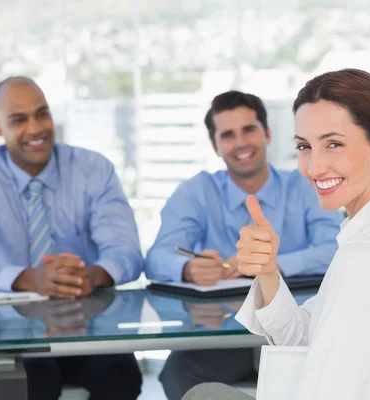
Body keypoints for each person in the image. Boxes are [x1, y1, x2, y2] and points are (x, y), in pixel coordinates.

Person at [182, 69, 370, 400]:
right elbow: (306, 338)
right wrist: (268, 271)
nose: (314, 167)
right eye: (304, 146)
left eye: (334, 144)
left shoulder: (369, 257)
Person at [0, 76, 143, 400]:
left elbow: (128, 252)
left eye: (42, 114)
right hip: (13, 331)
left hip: (88, 325)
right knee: (31, 383)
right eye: (19, 120)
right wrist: (28, 278)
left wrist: (91, 275)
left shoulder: (94, 169)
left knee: (121, 377)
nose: (36, 128)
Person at [145, 90, 342, 400]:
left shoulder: (303, 185)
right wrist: (188, 268)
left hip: (300, 334)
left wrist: (269, 265)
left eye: (249, 129)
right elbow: (156, 256)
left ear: (267, 133)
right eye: (228, 135)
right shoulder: (197, 190)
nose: (240, 143)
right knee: (177, 372)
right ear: (215, 145)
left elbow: (335, 248)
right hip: (225, 341)